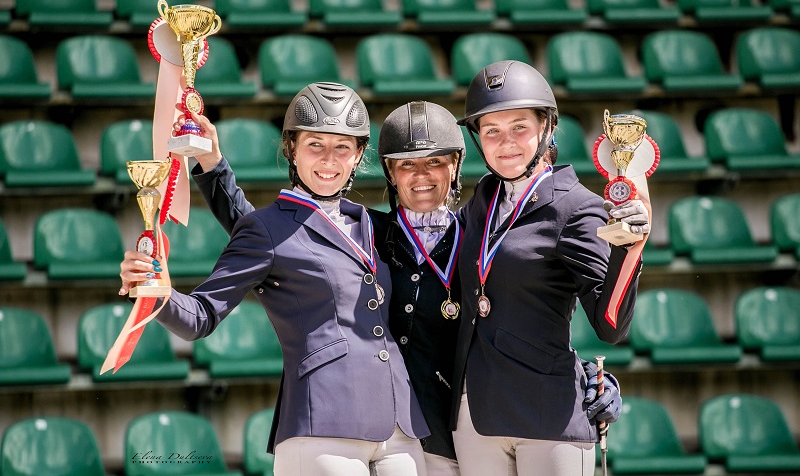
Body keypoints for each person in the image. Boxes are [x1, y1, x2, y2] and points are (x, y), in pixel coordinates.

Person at [184, 99, 624, 475]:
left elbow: (524, 306)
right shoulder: (368, 234)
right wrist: (212, 168)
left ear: (455, 167)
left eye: (436, 162)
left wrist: (586, 375)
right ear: (390, 174)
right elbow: (277, 234)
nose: (422, 177)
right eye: (406, 165)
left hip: (458, 434)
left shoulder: (482, 234)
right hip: (385, 431)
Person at [119, 82, 430, 476]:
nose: (329, 159)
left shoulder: (377, 225)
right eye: (315, 144)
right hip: (324, 425)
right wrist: (154, 292)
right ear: (291, 149)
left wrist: (214, 165)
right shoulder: (266, 230)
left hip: (401, 426)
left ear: (358, 156)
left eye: (343, 147)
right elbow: (200, 315)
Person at [449, 60, 650, 476]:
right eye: (492, 131)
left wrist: (630, 250)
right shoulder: (481, 201)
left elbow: (611, 325)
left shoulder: (578, 208)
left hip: (549, 414)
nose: (505, 143)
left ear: (546, 128)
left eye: (519, 127)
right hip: (476, 416)